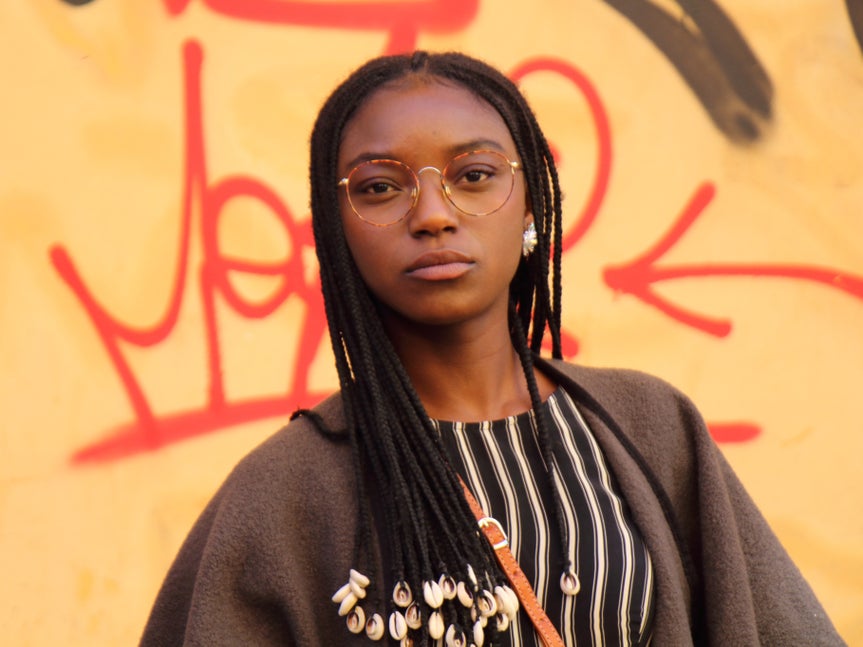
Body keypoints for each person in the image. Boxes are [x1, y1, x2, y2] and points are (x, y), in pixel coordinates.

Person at [139, 51, 844, 646]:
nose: (433, 214)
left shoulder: (648, 428)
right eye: (380, 188)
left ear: (532, 201)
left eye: (473, 175)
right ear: (335, 228)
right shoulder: (285, 493)